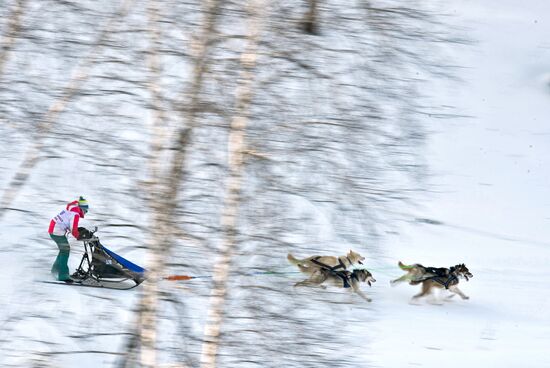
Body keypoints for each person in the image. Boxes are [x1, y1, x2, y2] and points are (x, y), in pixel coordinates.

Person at [48, 196, 89, 282]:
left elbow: (70, 225)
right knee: (65, 250)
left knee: (63, 250)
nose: (85, 213)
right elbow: (73, 230)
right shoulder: (75, 214)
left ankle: (55, 270)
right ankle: (63, 275)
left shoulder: (72, 209)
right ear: (82, 209)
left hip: (53, 228)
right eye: (85, 211)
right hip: (57, 231)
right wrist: (79, 237)